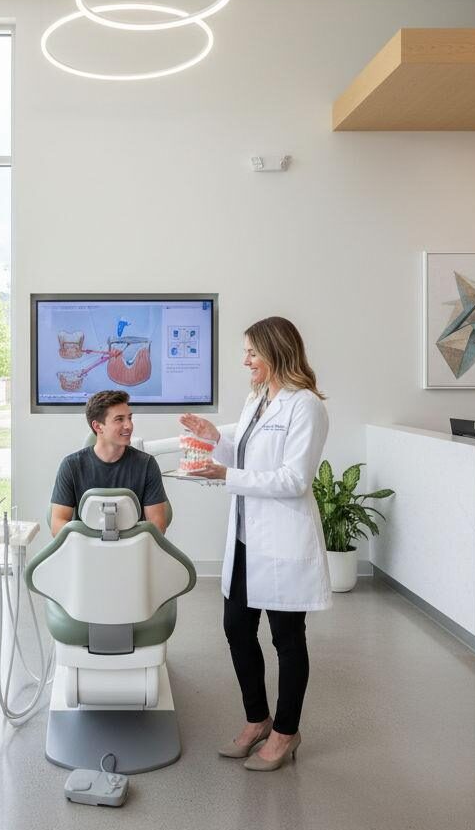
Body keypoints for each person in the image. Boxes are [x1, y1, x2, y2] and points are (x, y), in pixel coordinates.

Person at [179, 316, 330, 773]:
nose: (245, 360)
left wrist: (226, 475)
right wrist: (214, 441)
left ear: (277, 351)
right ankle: (257, 719)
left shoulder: (306, 407)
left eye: (251, 352)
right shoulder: (257, 399)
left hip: (283, 538)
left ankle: (286, 731)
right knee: (236, 629)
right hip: (247, 536)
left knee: (287, 638)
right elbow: (242, 455)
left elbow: (293, 479)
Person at [50, 389, 169, 537]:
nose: (129, 425)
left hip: (134, 552)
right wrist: (93, 543)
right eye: (119, 419)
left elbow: (157, 526)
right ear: (98, 426)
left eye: (129, 418)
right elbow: (57, 524)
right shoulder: (71, 466)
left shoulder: (146, 465)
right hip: (85, 553)